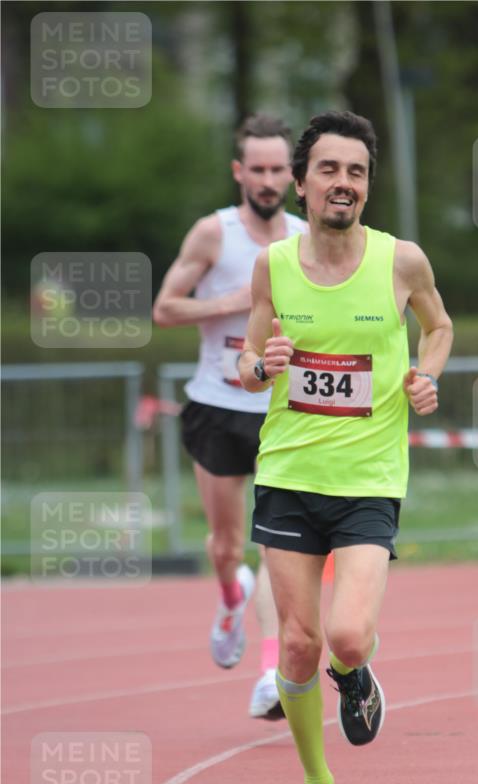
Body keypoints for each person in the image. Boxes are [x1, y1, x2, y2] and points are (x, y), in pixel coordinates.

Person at [239, 110, 454, 784]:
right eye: (328, 169)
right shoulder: (270, 266)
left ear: (367, 186)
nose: (343, 183)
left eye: (356, 172)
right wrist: (254, 365)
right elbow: (247, 356)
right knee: (298, 642)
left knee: (347, 636)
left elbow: (440, 325)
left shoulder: (401, 261)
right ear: (300, 184)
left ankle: (354, 676)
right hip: (289, 475)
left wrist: (425, 375)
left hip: (367, 480)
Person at [153, 113, 307, 720]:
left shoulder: (303, 237)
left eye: (278, 170)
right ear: (240, 172)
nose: (268, 180)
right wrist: (231, 301)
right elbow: (164, 308)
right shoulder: (212, 234)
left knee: (274, 544)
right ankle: (228, 596)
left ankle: (271, 670)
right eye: (259, 169)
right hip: (217, 405)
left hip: (279, 409)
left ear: (292, 176)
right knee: (226, 545)